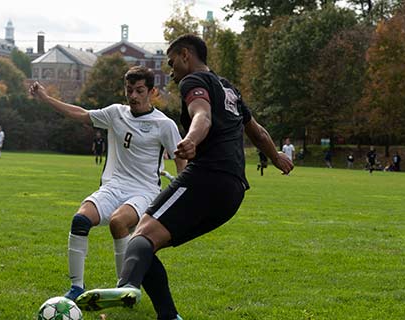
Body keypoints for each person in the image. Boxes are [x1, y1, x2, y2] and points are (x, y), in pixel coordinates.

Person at [75, 34, 294, 320]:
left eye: (172, 61)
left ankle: (126, 286)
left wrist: (191, 140)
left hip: (206, 177)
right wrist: (276, 157)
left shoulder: (194, 81)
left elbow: (202, 115)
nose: (171, 70)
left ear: (186, 55)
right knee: (148, 246)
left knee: (140, 233)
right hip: (233, 192)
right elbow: (258, 131)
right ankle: (169, 316)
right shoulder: (229, 88)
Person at [29, 66, 187, 302]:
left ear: (152, 92)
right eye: (129, 90)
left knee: (118, 222)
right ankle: (76, 288)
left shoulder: (164, 124)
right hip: (113, 187)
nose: (133, 96)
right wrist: (45, 98)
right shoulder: (115, 113)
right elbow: (80, 113)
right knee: (80, 220)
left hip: (144, 191)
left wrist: (181, 198)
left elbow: (181, 160)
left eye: (139, 91)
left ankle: (125, 289)